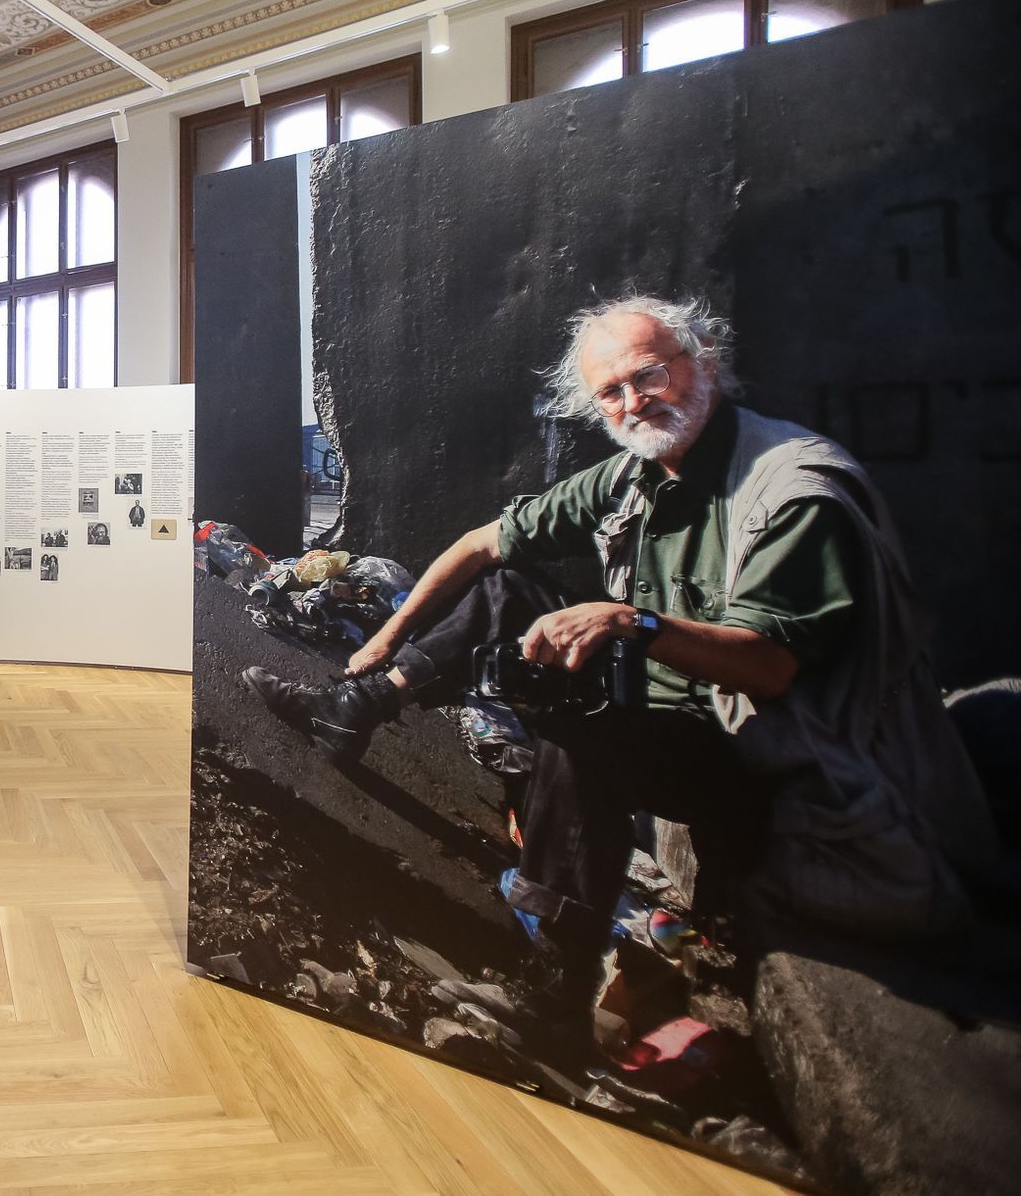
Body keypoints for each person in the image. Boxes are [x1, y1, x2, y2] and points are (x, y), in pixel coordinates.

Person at [241, 294, 999, 1065]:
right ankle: (356, 706)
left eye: (650, 375)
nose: (634, 402)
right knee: (510, 594)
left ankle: (554, 999)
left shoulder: (792, 488)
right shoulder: (636, 474)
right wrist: (384, 639)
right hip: (676, 714)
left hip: (777, 760)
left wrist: (627, 621)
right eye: (612, 391)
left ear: (703, 363)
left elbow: (768, 668)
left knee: (588, 738)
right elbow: (481, 545)